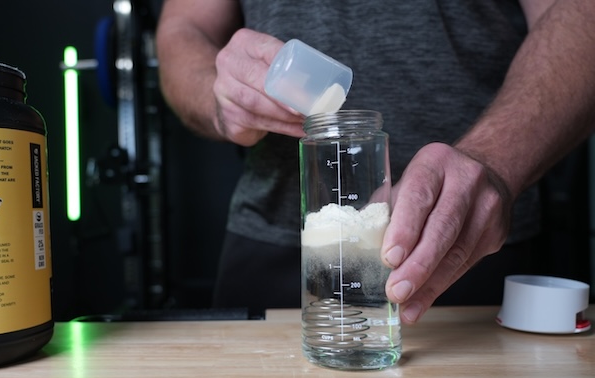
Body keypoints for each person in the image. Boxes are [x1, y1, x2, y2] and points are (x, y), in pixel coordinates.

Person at [155, 0, 595, 323]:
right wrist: (218, 93)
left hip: (465, 238)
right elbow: (184, 27)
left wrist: (494, 158)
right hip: (275, 240)